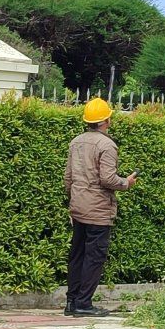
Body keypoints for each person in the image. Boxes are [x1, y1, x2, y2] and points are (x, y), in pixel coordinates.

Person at [63, 97, 135, 317]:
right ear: (106, 120)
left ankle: (72, 301)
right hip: (98, 211)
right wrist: (126, 182)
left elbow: (68, 177)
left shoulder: (75, 142)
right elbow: (107, 179)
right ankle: (84, 303)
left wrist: (73, 199)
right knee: (94, 257)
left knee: (77, 254)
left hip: (78, 206)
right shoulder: (107, 145)